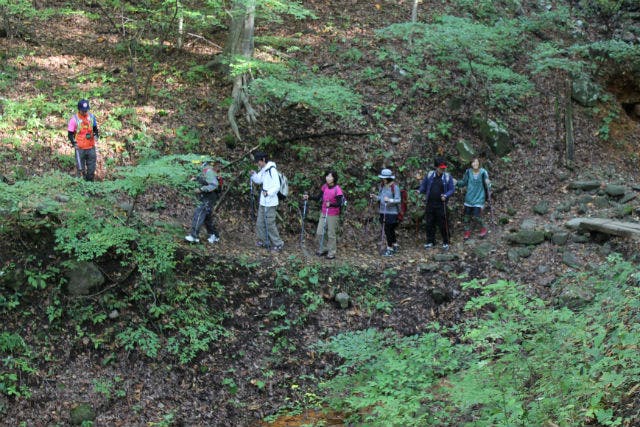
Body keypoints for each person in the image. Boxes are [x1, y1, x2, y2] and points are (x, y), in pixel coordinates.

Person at [303, 170, 344, 260]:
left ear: (334, 178)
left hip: (333, 214)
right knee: (319, 232)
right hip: (324, 212)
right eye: (327, 176)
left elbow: (339, 203)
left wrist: (331, 204)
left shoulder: (337, 189)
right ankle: (324, 248)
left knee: (331, 233)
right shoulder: (324, 186)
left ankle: (332, 252)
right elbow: (318, 198)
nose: (328, 178)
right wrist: (309, 197)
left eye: (330, 176)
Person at [418, 157, 455, 250]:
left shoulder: (447, 177)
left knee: (443, 223)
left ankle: (446, 242)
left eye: (444, 168)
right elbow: (424, 186)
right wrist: (419, 191)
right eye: (441, 167)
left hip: (441, 204)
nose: (443, 169)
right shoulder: (430, 175)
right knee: (429, 223)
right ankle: (430, 241)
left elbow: (452, 189)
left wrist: (446, 195)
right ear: (436, 167)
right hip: (430, 203)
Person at [250, 151, 284, 251]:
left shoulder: (272, 170)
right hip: (263, 201)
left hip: (271, 202)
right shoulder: (264, 170)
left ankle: (278, 243)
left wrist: (268, 193)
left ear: (263, 160)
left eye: (258, 162)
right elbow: (259, 180)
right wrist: (253, 175)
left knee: (269, 224)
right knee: (260, 222)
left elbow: (277, 186)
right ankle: (264, 241)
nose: (258, 164)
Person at [185, 160, 221, 244]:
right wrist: (196, 179)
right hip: (207, 197)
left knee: (199, 213)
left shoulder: (208, 171)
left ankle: (194, 236)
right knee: (206, 217)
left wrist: (201, 189)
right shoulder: (204, 171)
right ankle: (214, 235)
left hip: (208, 197)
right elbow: (205, 180)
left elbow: (214, 185)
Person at [456, 157, 491, 240]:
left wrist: (488, 183)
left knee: (476, 216)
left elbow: (488, 184)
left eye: (476, 162)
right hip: (469, 198)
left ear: (479, 163)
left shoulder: (483, 172)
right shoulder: (468, 172)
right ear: (471, 164)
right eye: (473, 162)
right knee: (466, 217)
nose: (475, 164)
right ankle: (467, 232)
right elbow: (463, 183)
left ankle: (484, 228)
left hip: (479, 198)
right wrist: (456, 182)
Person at [371, 168, 401, 257]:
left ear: (389, 178)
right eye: (382, 178)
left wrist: (390, 200)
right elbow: (380, 198)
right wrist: (375, 197)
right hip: (382, 211)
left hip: (392, 213)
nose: (383, 180)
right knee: (390, 230)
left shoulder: (394, 187)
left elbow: (398, 199)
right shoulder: (382, 186)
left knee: (388, 230)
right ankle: (394, 245)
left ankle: (389, 249)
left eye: (384, 178)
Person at [68, 99, 99, 181]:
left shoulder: (92, 117)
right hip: (80, 149)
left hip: (91, 147)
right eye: (83, 111)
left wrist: (96, 135)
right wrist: (73, 143)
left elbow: (95, 129)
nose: (85, 112)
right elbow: (70, 134)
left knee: (91, 169)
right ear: (79, 109)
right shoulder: (74, 120)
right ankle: (82, 188)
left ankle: (90, 186)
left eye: (86, 110)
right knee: (81, 170)